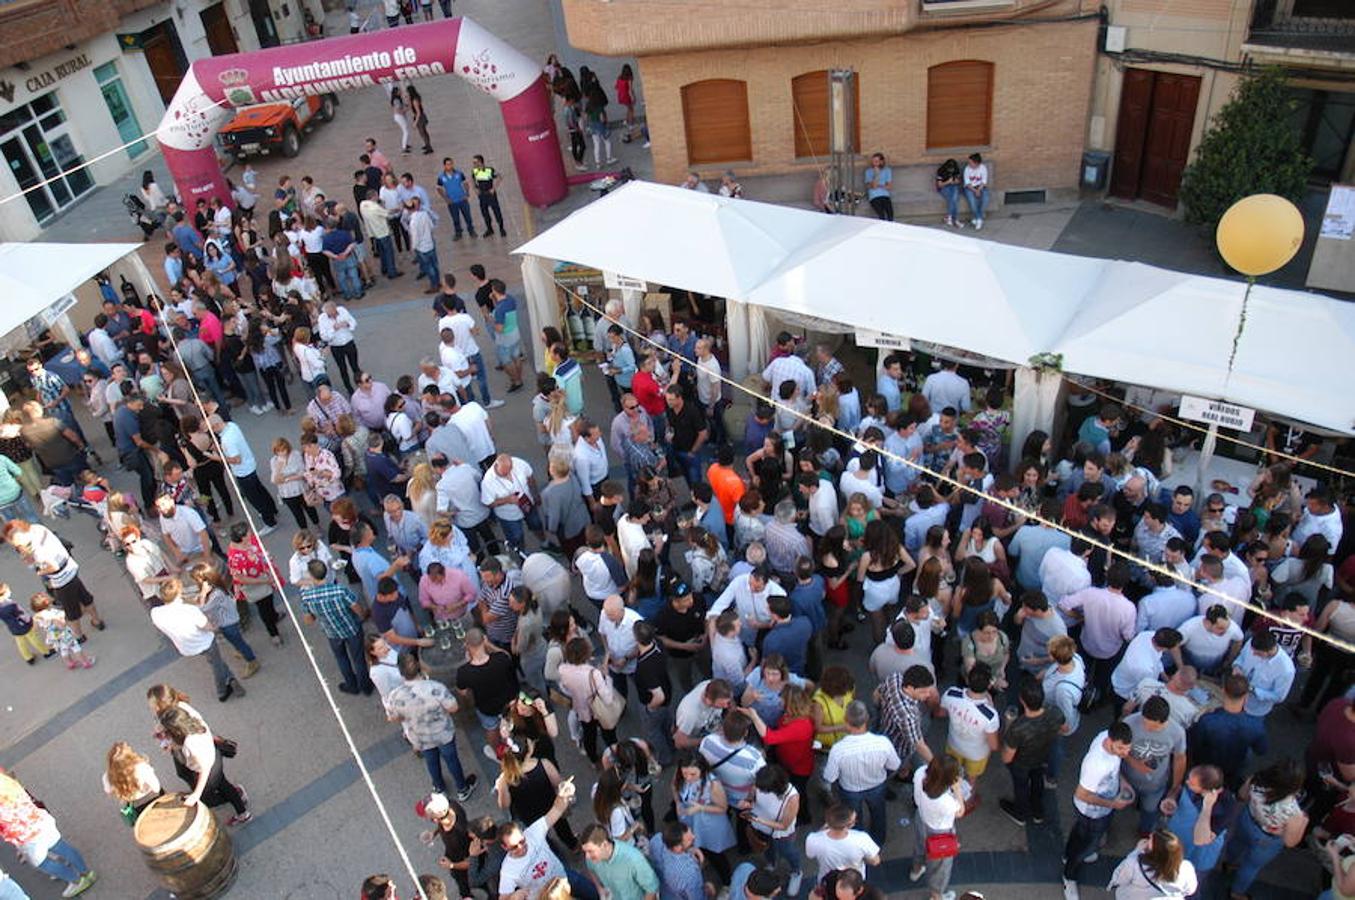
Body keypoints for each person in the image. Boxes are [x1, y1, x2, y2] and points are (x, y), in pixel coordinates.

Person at [385, 652, 479, 801]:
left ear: (401, 672)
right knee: (452, 760)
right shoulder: (435, 687)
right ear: (418, 666)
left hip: (420, 735)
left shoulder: (395, 696)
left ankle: (439, 788)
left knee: (431, 761)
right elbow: (453, 707)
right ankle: (462, 788)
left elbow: (393, 717)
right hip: (443, 733)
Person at [1061, 722, 1134, 900]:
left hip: (1098, 809)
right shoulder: (1096, 765)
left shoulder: (1105, 737)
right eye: (1121, 748)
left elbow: (1114, 769)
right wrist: (1112, 805)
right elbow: (1082, 793)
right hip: (1092, 812)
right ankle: (1069, 876)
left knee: (1079, 834)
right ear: (1110, 740)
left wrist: (1122, 782)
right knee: (1085, 844)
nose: (1125, 753)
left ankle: (1068, 854)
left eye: (1128, 748)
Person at [497, 778, 599, 900]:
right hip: (547, 898)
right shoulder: (508, 870)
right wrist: (513, 897)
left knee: (596, 894)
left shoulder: (533, 833)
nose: (521, 847)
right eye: (514, 847)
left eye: (522, 841)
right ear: (504, 847)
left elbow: (556, 810)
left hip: (564, 878)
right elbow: (503, 898)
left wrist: (563, 795)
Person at [0, 771, 97, 897]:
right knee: (61, 847)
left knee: (42, 863)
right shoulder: (6, 782)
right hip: (40, 820)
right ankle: (86, 872)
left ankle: (76, 880)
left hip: (26, 836)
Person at [1222, 760, 1308, 897]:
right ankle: (1236, 893)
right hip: (1267, 839)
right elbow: (1290, 842)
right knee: (1250, 866)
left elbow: (1242, 796)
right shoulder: (1293, 812)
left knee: (1236, 843)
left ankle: (1229, 864)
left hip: (1248, 820)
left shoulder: (1256, 781)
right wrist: (1304, 821)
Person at [158, 704, 251, 825]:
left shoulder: (190, 744)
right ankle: (241, 808)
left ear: (177, 732)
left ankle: (236, 798)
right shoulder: (193, 723)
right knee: (223, 784)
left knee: (207, 800)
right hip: (214, 758)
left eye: (167, 732)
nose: (165, 735)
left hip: (209, 771)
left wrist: (196, 795)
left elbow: (205, 769)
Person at [823, 700, 899, 846]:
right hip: (877, 786)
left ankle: (858, 844)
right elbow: (894, 765)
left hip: (850, 790)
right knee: (878, 816)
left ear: (846, 721)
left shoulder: (838, 749)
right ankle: (877, 843)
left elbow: (830, 777)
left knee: (853, 820)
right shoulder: (882, 743)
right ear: (866, 720)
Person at [299, 559, 374, 696]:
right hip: (351, 628)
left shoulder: (307, 596)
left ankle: (352, 686)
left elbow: (308, 620)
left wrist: (317, 614)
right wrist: (362, 616)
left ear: (311, 576)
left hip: (332, 632)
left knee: (341, 658)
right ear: (326, 573)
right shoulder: (340, 590)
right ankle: (366, 687)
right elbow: (357, 608)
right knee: (358, 659)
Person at [1000, 679, 1064, 827]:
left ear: (1022, 701)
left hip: (1021, 763)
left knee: (1021, 786)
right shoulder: (1055, 713)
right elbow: (1063, 728)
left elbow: (1007, 757)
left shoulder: (1018, 727)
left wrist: (1008, 725)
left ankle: (1020, 813)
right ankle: (1037, 811)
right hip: (1042, 757)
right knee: (1037, 780)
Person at [910, 755, 967, 900]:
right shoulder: (945, 801)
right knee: (940, 866)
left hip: (921, 818)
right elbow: (960, 812)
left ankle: (916, 870)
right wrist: (957, 789)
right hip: (940, 832)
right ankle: (937, 895)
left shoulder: (920, 773)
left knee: (920, 846)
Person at [209, 414, 278, 532]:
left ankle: (270, 522)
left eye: (212, 428)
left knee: (255, 498)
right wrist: (221, 448)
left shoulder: (227, 440)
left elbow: (236, 459)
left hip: (243, 471)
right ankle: (272, 509)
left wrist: (219, 458)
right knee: (260, 489)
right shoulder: (231, 426)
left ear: (216, 426)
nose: (212, 432)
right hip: (250, 463)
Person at [1107, 828, 1198, 899]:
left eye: (1150, 840)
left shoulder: (1134, 863)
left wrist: (1137, 851)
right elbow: (1190, 890)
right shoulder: (1186, 868)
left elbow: (1121, 880)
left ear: (1156, 852)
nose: (1147, 840)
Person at [471, 155, 507, 237]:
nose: (474, 164)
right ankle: (489, 229)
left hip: (490, 194)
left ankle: (501, 229)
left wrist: (494, 188)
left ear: (480, 162)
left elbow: (499, 177)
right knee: (485, 213)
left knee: (496, 211)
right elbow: (473, 179)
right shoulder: (474, 171)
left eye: (475, 162)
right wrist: (475, 188)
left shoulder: (489, 170)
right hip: (482, 195)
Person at [961, 152, 990, 229]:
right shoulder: (967, 169)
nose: (969, 163)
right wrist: (975, 191)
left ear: (976, 163)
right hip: (969, 188)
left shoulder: (983, 168)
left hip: (981, 187)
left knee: (986, 199)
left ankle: (976, 218)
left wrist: (979, 190)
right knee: (972, 201)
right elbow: (967, 183)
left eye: (970, 162)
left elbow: (984, 181)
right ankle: (979, 219)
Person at [864, 153, 894, 221]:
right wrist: (876, 175)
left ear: (882, 161)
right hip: (874, 196)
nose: (874, 163)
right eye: (873, 161)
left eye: (876, 161)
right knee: (881, 215)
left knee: (890, 214)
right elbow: (874, 187)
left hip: (885, 195)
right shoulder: (868, 171)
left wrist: (878, 185)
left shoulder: (887, 170)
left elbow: (889, 186)